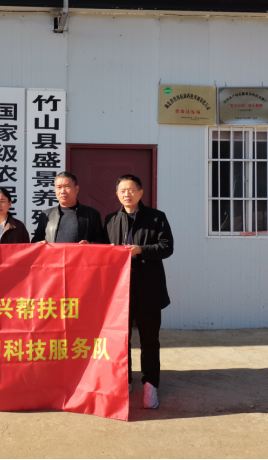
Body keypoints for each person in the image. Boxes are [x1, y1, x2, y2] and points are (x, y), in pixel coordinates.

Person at [104, 174, 174, 410]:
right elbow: (104, 251)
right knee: (121, 339)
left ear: (141, 193)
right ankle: (124, 380)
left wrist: (140, 250)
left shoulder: (156, 217)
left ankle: (151, 384)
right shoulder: (111, 219)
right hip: (120, 292)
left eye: (131, 189)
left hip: (148, 289)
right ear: (117, 194)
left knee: (149, 340)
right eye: (122, 190)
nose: (127, 194)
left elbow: (167, 247)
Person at [31, 171, 107, 244]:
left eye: (67, 187)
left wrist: (89, 244)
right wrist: (39, 243)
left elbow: (101, 242)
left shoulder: (92, 214)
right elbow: (35, 240)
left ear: (76, 189)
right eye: (59, 187)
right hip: (54, 253)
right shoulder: (46, 215)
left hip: (81, 253)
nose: (62, 191)